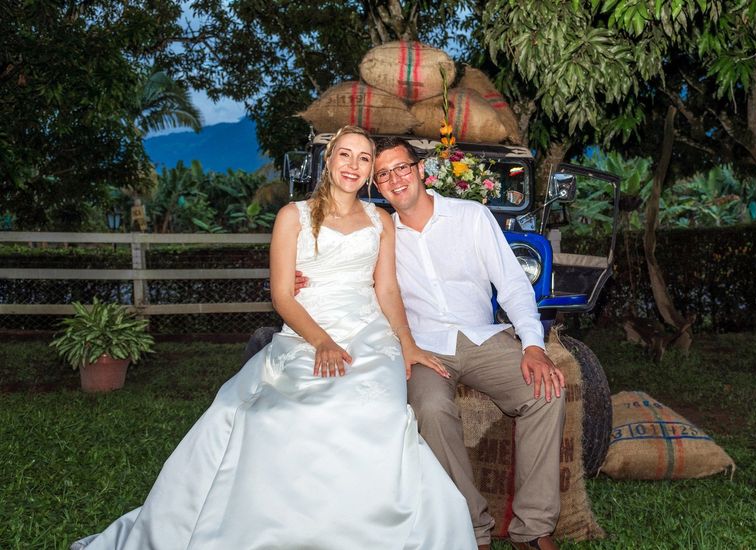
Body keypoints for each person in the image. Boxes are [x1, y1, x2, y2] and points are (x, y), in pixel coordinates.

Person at [71, 126, 476, 550]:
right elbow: (282, 294)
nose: (353, 165)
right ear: (328, 161)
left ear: (372, 171)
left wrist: (407, 343)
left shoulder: (381, 221)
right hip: (307, 331)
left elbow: (387, 289)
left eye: (363, 158)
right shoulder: (293, 216)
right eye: (344, 155)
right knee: (274, 415)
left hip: (370, 334)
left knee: (375, 411)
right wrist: (320, 341)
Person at [298, 137, 567, 550]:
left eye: (401, 168)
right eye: (383, 174)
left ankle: (533, 529)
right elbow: (345, 275)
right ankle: (471, 528)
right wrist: (304, 278)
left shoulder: (472, 216)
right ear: (376, 185)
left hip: (481, 336)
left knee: (545, 393)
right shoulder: (380, 231)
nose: (394, 179)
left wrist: (533, 345)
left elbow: (513, 285)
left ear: (421, 170)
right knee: (429, 407)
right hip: (421, 346)